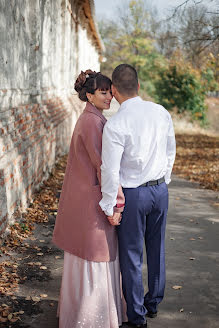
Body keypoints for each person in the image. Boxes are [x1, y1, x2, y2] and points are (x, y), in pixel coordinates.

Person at [99, 64, 176, 328]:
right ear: (139, 86)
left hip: (133, 195)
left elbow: (110, 170)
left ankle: (137, 317)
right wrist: (163, 181)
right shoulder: (161, 112)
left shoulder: (115, 124)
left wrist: (109, 206)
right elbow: (170, 150)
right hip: (159, 191)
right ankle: (153, 302)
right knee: (156, 248)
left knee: (132, 256)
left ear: (114, 91)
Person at [52, 69, 125, 328]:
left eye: (109, 91)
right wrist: (117, 203)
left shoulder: (91, 118)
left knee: (88, 256)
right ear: (90, 96)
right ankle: (93, 318)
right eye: (103, 92)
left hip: (84, 196)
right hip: (91, 201)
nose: (109, 97)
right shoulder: (93, 122)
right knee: (95, 255)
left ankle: (82, 314)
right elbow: (103, 166)